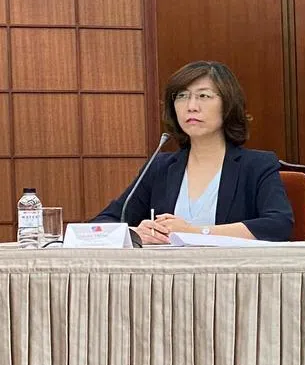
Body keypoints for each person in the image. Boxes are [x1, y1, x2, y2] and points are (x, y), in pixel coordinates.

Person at [94, 61, 294, 243]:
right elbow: (102, 223)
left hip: (232, 278)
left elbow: (278, 225)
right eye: (182, 96)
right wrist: (135, 232)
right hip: (167, 279)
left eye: (203, 96)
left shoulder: (256, 165)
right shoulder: (160, 167)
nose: (191, 106)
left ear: (228, 104)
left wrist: (194, 231)